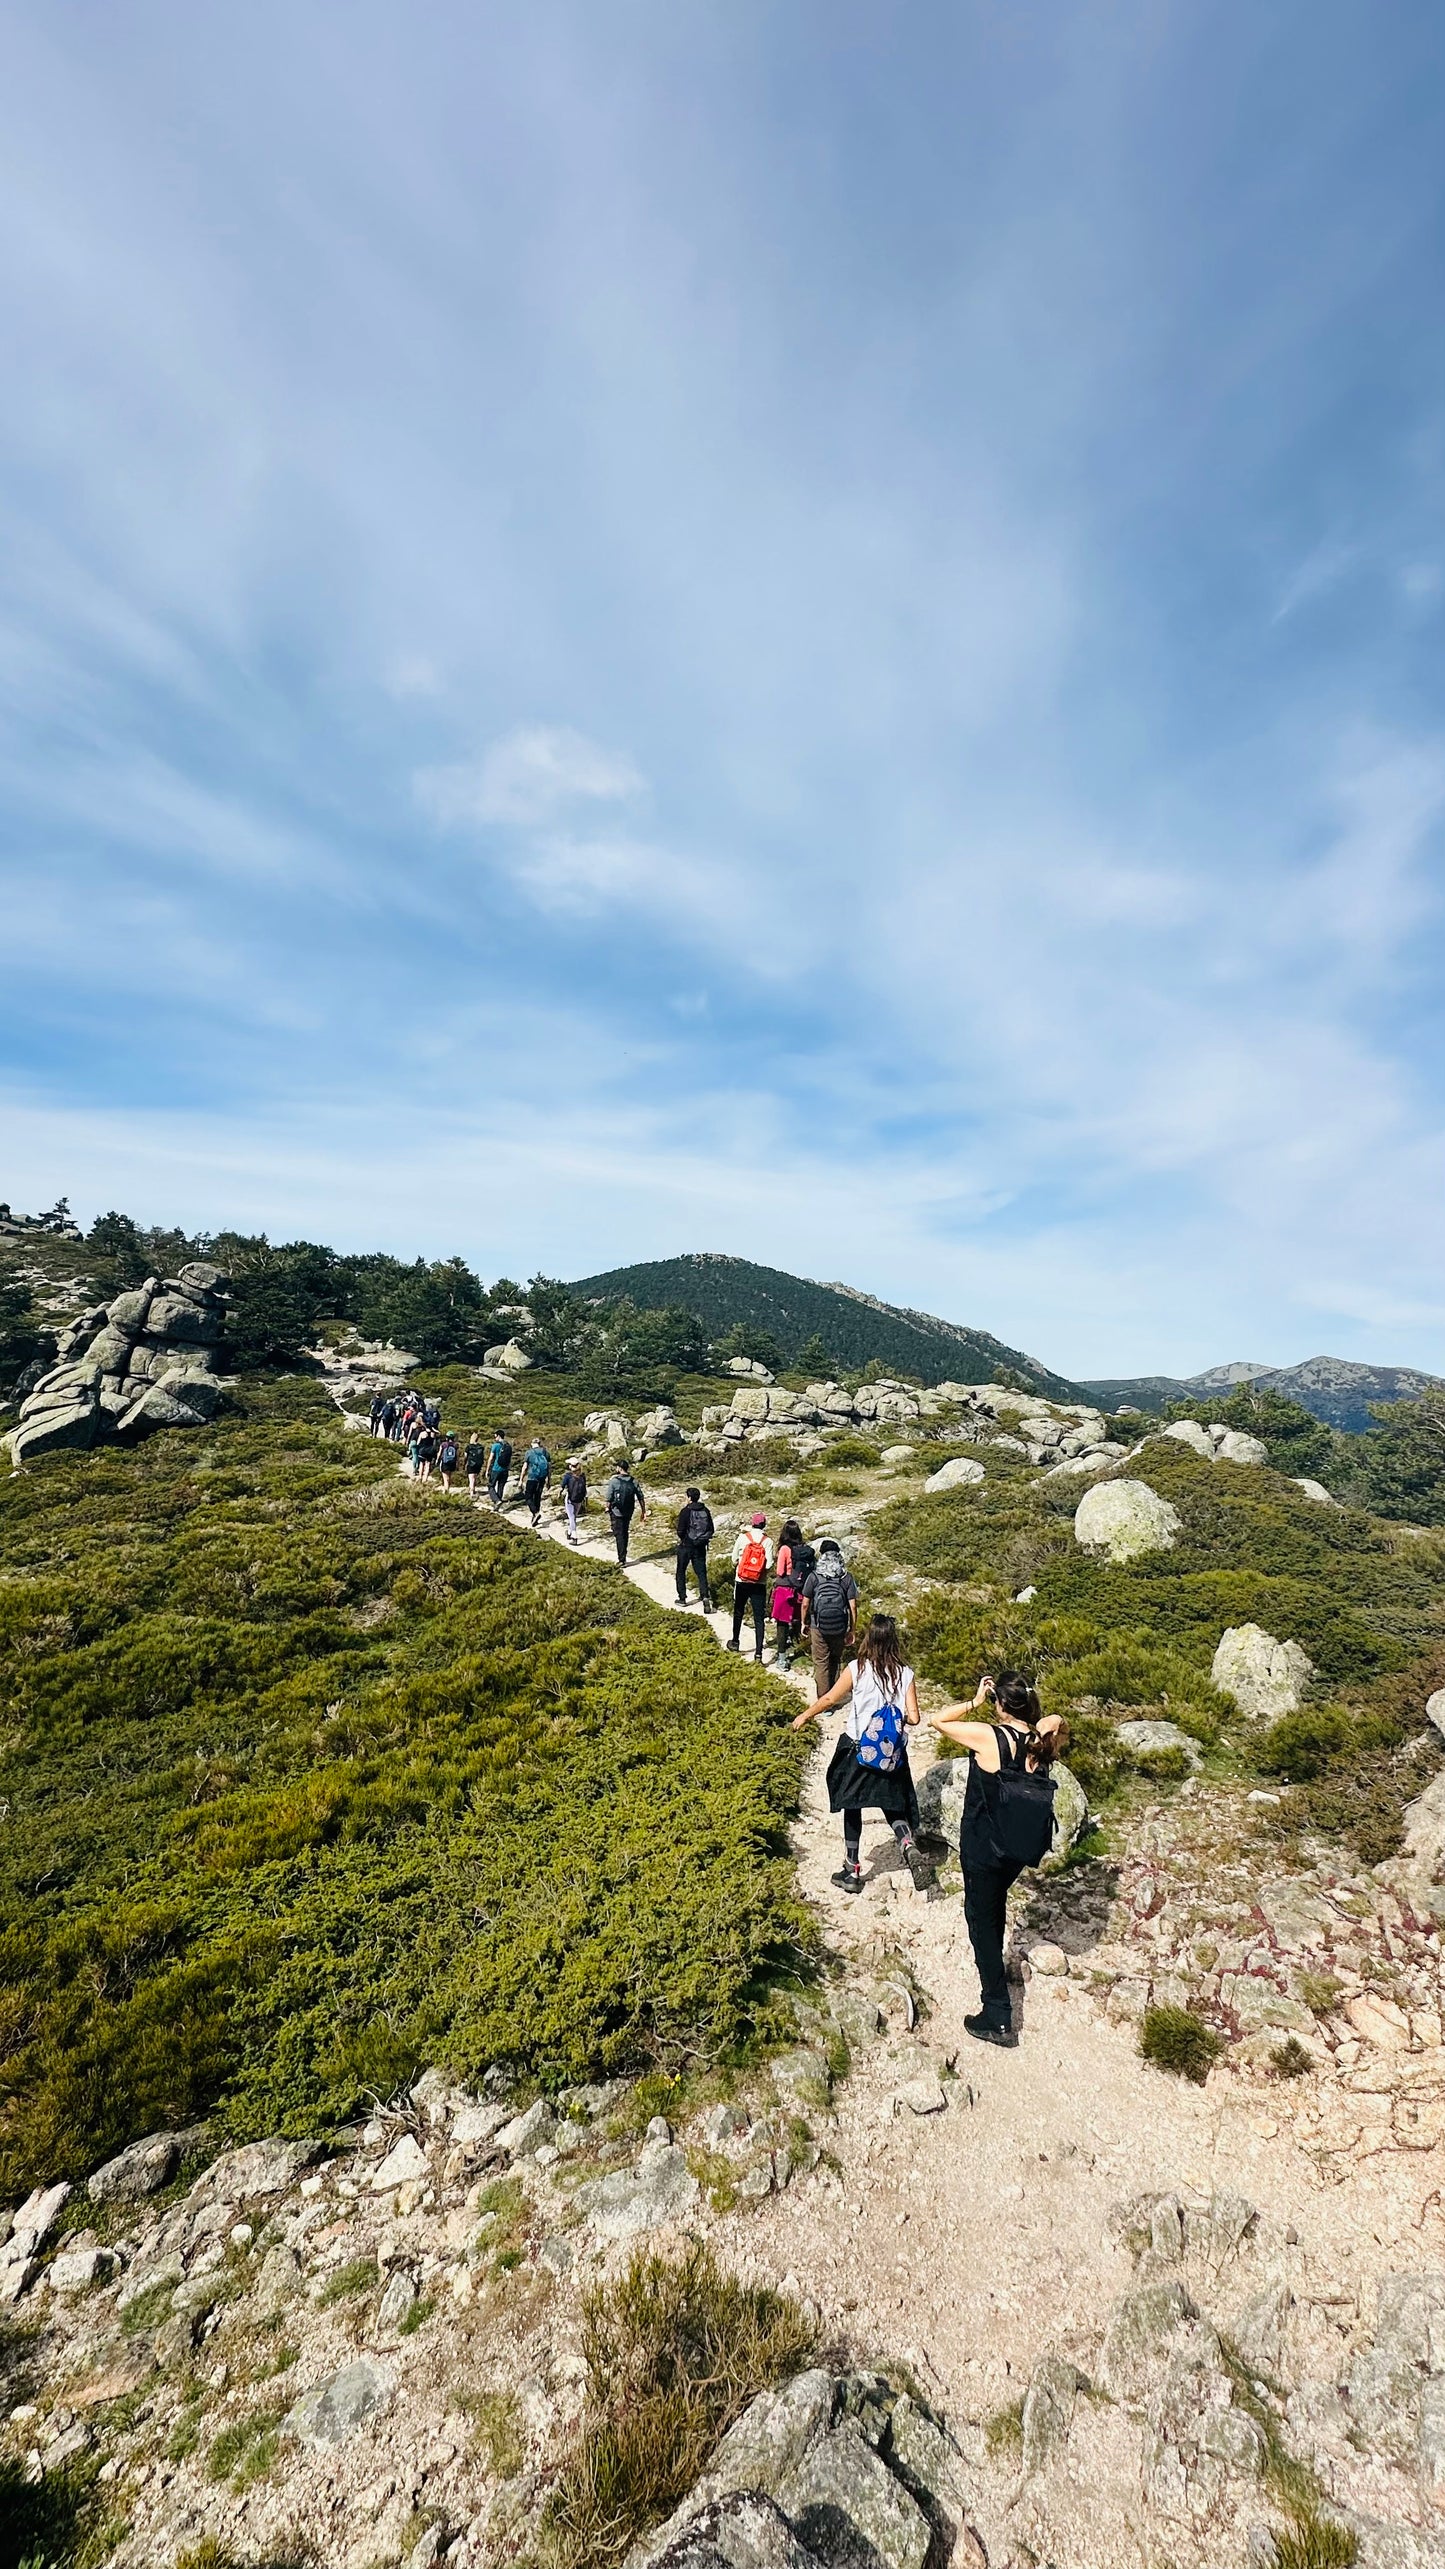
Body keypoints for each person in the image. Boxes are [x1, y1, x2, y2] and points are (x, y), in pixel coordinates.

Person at [930, 1672, 1069, 2048]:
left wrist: (974, 1701)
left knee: (979, 1922)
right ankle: (1000, 1973)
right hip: (1015, 1851)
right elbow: (1058, 1721)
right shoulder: (1040, 1740)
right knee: (995, 1906)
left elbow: (938, 1720)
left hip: (984, 1846)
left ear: (1001, 1704)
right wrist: (1038, 1721)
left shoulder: (990, 1736)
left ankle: (998, 2015)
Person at [790, 1612, 924, 1892]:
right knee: (892, 1805)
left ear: (869, 1639)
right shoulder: (906, 1673)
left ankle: (851, 1871)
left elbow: (829, 1698)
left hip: (857, 1748)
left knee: (853, 1806)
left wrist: (805, 1716)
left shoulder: (857, 1668)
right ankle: (906, 1843)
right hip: (890, 1753)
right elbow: (914, 1718)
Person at [801, 1539, 858, 1696]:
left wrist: (803, 1622)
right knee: (835, 1659)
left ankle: (823, 1700)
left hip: (818, 1625)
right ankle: (834, 1695)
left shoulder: (814, 1576)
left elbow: (805, 1603)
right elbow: (852, 1606)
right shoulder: (846, 1577)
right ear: (838, 1555)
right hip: (839, 1625)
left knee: (821, 1662)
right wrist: (852, 1629)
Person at [727, 1514, 773, 1660]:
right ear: (764, 1524)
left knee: (738, 1611)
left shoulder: (742, 1538)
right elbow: (769, 1564)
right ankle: (758, 1653)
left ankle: (735, 1642)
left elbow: (734, 1559)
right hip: (759, 1583)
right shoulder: (768, 1542)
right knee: (759, 1618)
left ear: (752, 1524)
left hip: (741, 1581)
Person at [770, 1518, 806, 1671]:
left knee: (782, 1624)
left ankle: (782, 1657)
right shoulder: (803, 1548)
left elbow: (779, 1572)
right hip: (800, 1590)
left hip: (785, 1590)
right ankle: (798, 1644)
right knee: (798, 1619)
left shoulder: (784, 1549)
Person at [674, 1485, 714, 1608]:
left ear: (689, 1497)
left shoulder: (685, 1511)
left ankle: (682, 1598)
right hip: (700, 1546)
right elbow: (711, 1529)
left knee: (681, 1571)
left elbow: (680, 1530)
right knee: (701, 1572)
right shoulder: (705, 1510)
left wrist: (685, 1539)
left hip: (686, 1545)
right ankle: (705, 1596)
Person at [605, 1462, 646, 1563]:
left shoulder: (614, 1481)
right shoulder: (633, 1481)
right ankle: (624, 1553)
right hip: (629, 1510)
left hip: (616, 1510)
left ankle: (621, 1559)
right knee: (625, 1531)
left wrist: (607, 1508)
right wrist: (643, 1511)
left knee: (619, 1534)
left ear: (619, 1468)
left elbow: (609, 1498)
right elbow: (640, 1496)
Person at [521, 1435, 551, 1524]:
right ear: (539, 1444)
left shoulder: (529, 1453)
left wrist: (521, 1479)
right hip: (542, 1478)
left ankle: (535, 1513)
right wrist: (549, 1480)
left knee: (528, 1497)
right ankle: (535, 1518)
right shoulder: (545, 1452)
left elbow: (525, 1467)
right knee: (537, 1497)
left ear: (532, 1444)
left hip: (532, 1478)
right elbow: (549, 1467)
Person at [561, 1458, 589, 1545]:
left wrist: (559, 1493)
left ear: (570, 1466)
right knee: (573, 1517)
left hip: (570, 1499)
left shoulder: (568, 1476)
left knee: (571, 1518)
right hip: (579, 1500)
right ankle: (569, 1532)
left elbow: (562, 1486)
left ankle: (574, 1536)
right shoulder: (582, 1476)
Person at [487, 1431, 513, 1509]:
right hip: (505, 1470)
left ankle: (497, 1500)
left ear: (498, 1436)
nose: (495, 1438)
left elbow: (491, 1458)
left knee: (490, 1485)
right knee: (500, 1487)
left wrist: (487, 1469)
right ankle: (497, 1504)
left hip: (496, 1469)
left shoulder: (495, 1446)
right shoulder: (508, 1446)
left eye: (495, 1436)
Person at [464, 1432, 487, 1501]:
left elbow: (465, 1456)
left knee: (471, 1478)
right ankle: (473, 1489)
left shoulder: (469, 1447)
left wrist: (464, 1464)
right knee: (474, 1477)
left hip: (471, 1464)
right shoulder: (480, 1447)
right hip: (478, 1464)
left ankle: (472, 1492)